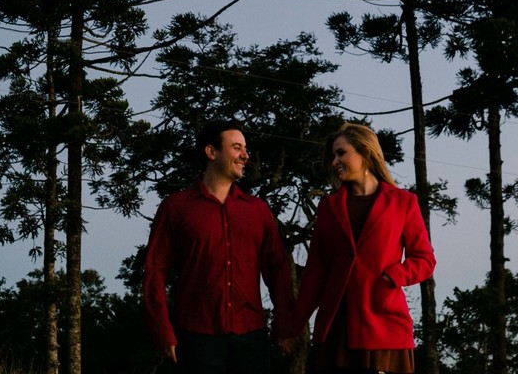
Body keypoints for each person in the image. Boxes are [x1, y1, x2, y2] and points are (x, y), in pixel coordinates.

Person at [282, 122, 436, 373]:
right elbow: (315, 274)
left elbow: (424, 260)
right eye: (333, 156)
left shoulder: (403, 202)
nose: (335, 161)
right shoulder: (328, 207)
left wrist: (394, 275)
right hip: (335, 329)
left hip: (384, 327)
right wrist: (293, 327)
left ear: (365, 153)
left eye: (341, 153)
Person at [143, 119, 293, 373]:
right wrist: (162, 329)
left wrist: (284, 324)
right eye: (236, 147)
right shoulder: (175, 208)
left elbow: (277, 270)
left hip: (252, 340)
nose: (245, 155)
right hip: (195, 339)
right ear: (211, 152)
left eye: (245, 148)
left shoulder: (258, 211)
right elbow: (155, 271)